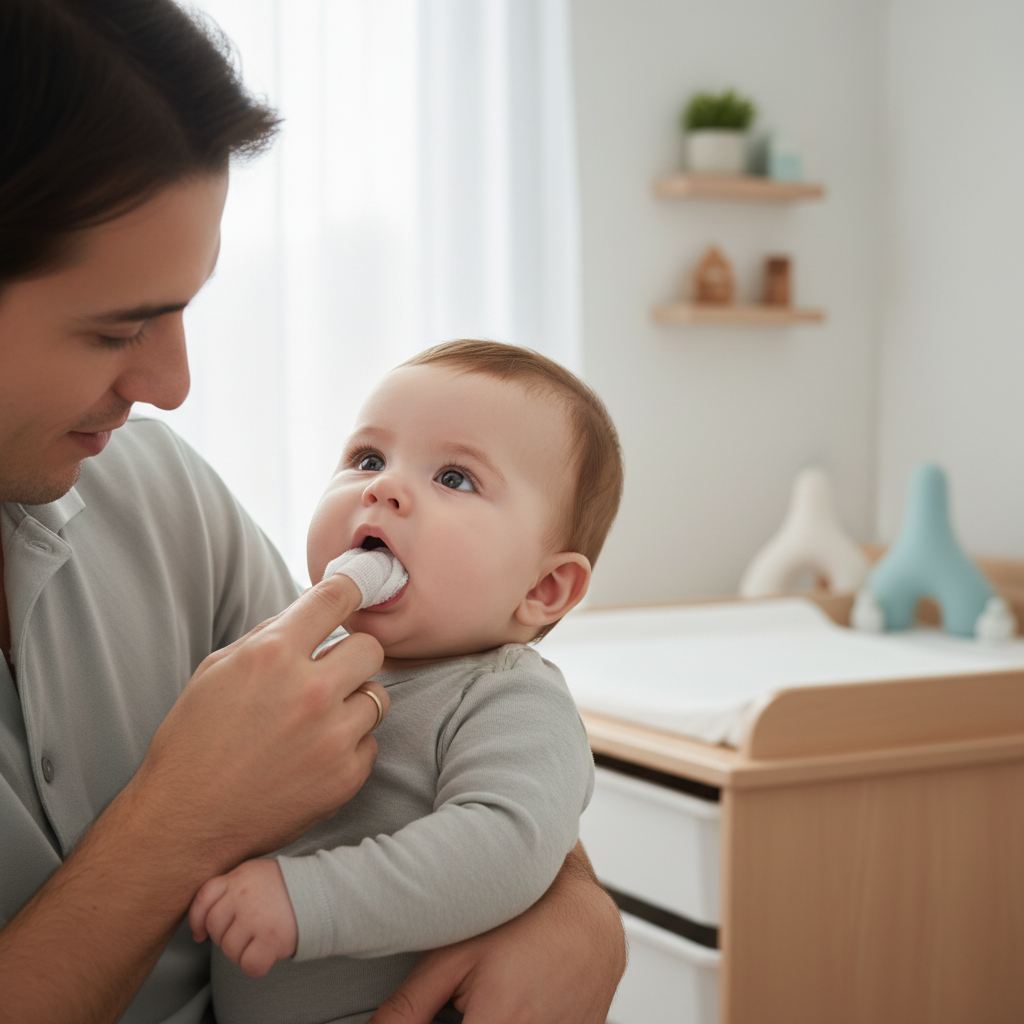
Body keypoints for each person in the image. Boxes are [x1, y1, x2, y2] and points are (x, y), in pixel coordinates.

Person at [0, 3, 626, 1024]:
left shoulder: (155, 492)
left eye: (181, 311)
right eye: (118, 329)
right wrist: (178, 821)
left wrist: (576, 908)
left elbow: (502, 815)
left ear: (546, 588)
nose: (171, 384)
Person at [185, 341, 624, 1024]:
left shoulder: (507, 696)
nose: (382, 487)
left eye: (454, 478)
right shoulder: (296, 656)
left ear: (543, 588)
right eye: (367, 458)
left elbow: (504, 847)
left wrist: (308, 901)